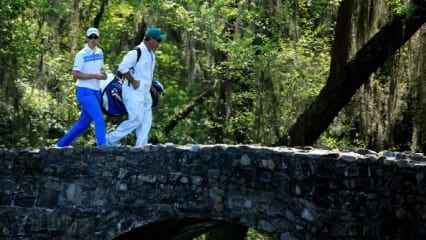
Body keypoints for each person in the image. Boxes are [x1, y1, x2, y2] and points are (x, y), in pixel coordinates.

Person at [107, 27, 165, 147]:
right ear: (151, 39)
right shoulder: (136, 51)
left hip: (145, 92)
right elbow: (122, 67)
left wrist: (151, 86)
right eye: (159, 40)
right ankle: (110, 139)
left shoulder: (152, 54)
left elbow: (146, 74)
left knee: (146, 120)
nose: (160, 43)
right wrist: (133, 82)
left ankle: (141, 146)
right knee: (136, 119)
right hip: (133, 91)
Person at [56, 27, 108, 147]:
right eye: (90, 37)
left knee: (83, 123)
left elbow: (101, 69)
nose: (93, 40)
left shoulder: (100, 52)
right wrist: (94, 76)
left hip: (96, 91)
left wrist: (103, 74)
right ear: (87, 38)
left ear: (98, 39)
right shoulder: (81, 54)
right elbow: (75, 73)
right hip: (84, 91)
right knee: (99, 118)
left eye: (95, 37)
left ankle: (60, 145)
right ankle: (103, 147)